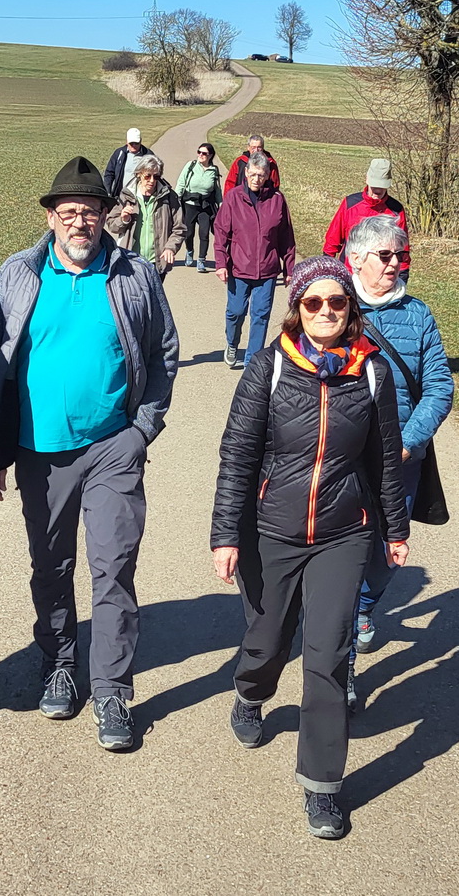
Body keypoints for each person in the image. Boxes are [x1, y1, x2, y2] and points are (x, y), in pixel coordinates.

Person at [0, 156, 180, 752]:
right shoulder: (17, 274)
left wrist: (141, 430)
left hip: (114, 445)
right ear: (50, 217)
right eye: (68, 212)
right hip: (40, 452)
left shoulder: (134, 275)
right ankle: (60, 663)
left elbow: (163, 352)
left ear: (105, 215)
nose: (79, 223)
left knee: (113, 567)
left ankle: (112, 689)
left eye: (90, 212)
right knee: (51, 565)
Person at [210, 255, 410, 840]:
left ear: (350, 308)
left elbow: (385, 459)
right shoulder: (268, 367)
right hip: (271, 530)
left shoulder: (372, 372)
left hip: (344, 534)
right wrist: (226, 533)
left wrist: (395, 528)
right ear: (297, 309)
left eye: (337, 301)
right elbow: (237, 456)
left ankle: (323, 784)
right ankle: (250, 693)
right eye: (313, 302)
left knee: (327, 657)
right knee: (268, 641)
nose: (326, 311)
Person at [343, 215, 452, 705]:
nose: (395, 265)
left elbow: (439, 387)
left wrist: (408, 442)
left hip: (402, 460)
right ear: (356, 259)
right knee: (345, 559)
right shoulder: (332, 307)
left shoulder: (418, 315)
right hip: (344, 463)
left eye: (399, 256)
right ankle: (341, 669)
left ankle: (367, 605)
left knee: (387, 555)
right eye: (385, 256)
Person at [212, 153, 296, 369]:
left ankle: (252, 362)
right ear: (246, 173)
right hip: (239, 268)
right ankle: (232, 343)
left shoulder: (277, 200)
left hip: (267, 270)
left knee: (261, 315)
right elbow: (221, 232)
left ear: (267, 176)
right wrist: (221, 263)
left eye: (261, 175)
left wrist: (289, 268)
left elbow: (286, 236)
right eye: (253, 174)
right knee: (236, 311)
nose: (256, 179)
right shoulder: (233, 198)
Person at [323, 158, 410, 277]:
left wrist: (402, 276)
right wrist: (327, 269)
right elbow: (333, 239)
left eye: (381, 186)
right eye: (374, 185)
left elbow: (402, 249)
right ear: (367, 179)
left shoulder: (396, 210)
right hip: (349, 273)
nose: (377, 190)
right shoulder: (350, 204)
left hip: (380, 276)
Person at [105, 154, 186, 279]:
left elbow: (179, 228)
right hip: (130, 260)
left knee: (154, 292)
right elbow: (112, 225)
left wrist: (170, 248)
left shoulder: (169, 196)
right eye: (148, 176)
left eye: (156, 176)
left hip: (157, 262)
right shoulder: (127, 195)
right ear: (139, 174)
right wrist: (123, 220)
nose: (152, 180)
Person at [176, 143, 223, 272]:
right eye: (199, 152)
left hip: (205, 206)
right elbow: (181, 183)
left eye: (204, 153)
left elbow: (217, 190)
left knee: (204, 233)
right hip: (190, 205)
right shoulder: (191, 166)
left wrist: (221, 205)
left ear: (210, 155)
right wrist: (176, 200)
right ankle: (189, 251)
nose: (201, 155)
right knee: (189, 233)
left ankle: (201, 260)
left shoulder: (214, 170)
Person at [103, 127, 154, 195]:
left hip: (140, 195)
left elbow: (154, 176)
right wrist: (107, 192)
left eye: (136, 143)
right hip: (121, 195)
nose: (134, 146)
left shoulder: (149, 155)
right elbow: (109, 173)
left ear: (140, 141)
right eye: (131, 143)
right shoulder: (119, 153)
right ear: (127, 141)